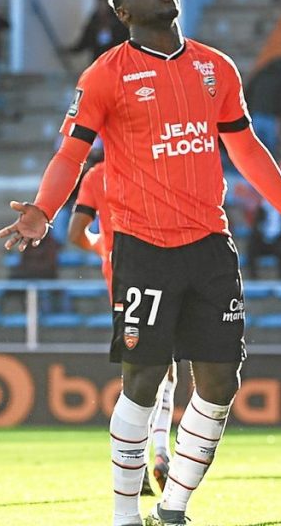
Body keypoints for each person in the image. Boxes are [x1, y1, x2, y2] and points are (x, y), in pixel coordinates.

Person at [0, 0, 281, 526]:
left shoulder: (216, 68)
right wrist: (44, 209)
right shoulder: (104, 76)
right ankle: (123, 515)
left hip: (211, 244)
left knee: (220, 381)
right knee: (141, 378)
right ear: (123, 11)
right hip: (142, 246)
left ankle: (174, 507)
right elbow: (71, 153)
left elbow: (247, 150)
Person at [68, 156, 178, 495]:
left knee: (138, 374)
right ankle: (160, 452)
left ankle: (137, 463)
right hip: (162, 270)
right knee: (166, 371)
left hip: (120, 280)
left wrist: (103, 245)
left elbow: (75, 233)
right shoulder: (156, 166)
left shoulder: (96, 176)